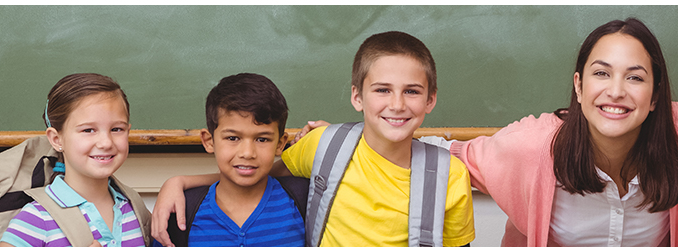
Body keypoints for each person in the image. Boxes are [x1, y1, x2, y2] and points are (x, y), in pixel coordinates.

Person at [151, 31, 475, 247]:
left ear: (430, 99)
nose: (397, 104)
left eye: (412, 92)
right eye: (382, 90)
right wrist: (180, 181)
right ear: (357, 97)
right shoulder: (324, 145)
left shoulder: (449, 175)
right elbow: (259, 171)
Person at [441, 18, 678, 246]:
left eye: (634, 77)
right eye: (601, 73)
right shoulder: (532, 146)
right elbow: (441, 156)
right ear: (579, 86)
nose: (616, 91)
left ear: (656, 96)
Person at [156, 73, 306, 246]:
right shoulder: (181, 212)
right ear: (209, 141)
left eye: (262, 139)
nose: (248, 153)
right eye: (233, 138)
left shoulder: (303, 202)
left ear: (280, 144)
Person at [0, 73, 149, 247]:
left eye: (117, 129)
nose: (106, 142)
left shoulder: (135, 209)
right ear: (57, 139)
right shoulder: (36, 219)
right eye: (88, 130)